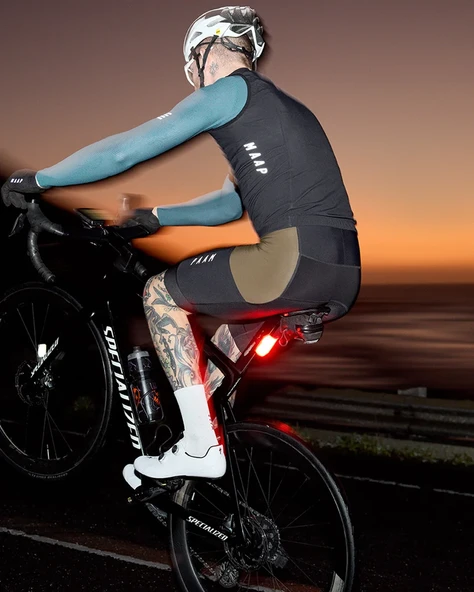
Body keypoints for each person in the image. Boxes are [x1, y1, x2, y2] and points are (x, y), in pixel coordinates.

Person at [1, 6, 361, 488]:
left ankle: (200, 447)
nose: (193, 77)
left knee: (159, 293)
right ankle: (195, 477)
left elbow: (123, 151)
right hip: (341, 273)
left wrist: (40, 179)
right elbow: (229, 205)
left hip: (289, 262)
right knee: (213, 367)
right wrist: (156, 217)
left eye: (192, 64)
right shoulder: (282, 110)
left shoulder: (231, 90)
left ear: (207, 50)